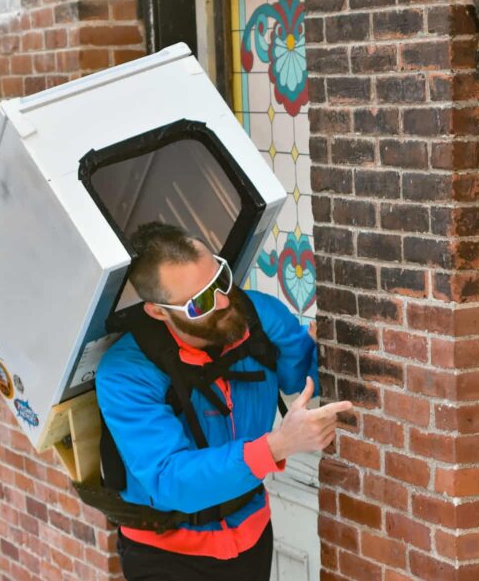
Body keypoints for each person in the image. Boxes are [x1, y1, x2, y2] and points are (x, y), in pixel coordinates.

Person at [95, 222, 351, 580]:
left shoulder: (260, 315)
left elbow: (300, 377)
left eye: (220, 280)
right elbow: (170, 480)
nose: (223, 301)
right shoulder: (125, 374)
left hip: (252, 531)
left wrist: (328, 351)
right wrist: (279, 444)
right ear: (158, 311)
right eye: (200, 302)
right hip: (168, 553)